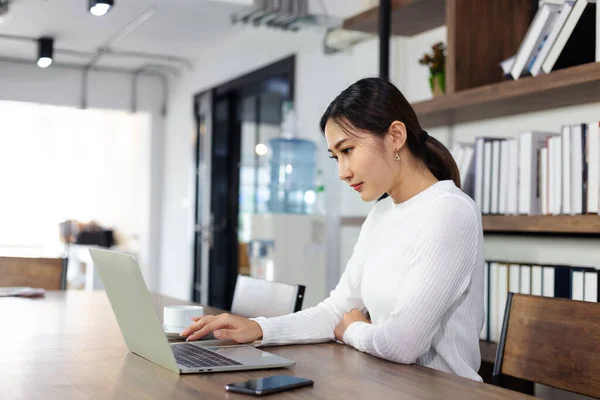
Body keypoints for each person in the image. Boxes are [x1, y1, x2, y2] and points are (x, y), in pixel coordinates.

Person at [181, 77, 484, 381]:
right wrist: (259, 328)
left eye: (348, 150)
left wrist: (352, 330)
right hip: (390, 385)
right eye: (335, 157)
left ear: (395, 136)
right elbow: (337, 310)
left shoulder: (448, 210)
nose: (342, 172)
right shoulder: (381, 213)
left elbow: (400, 344)